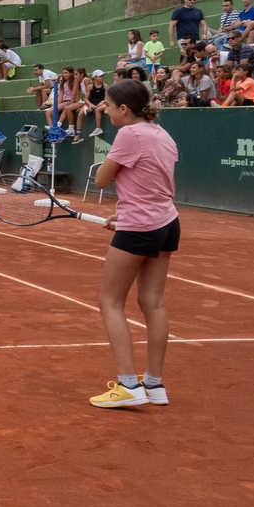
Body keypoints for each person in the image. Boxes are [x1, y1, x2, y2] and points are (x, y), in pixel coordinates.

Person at [89, 80, 179, 409]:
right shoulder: (162, 133)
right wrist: (124, 211)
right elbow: (154, 183)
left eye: (109, 106)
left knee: (109, 301)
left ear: (123, 109)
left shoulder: (129, 134)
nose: (106, 110)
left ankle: (128, 386)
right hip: (167, 223)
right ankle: (154, 385)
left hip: (140, 226)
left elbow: (101, 179)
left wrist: (131, 215)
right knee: (152, 303)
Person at [78, 69, 109, 136]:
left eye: (103, 76)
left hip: (102, 104)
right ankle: (78, 133)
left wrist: (103, 102)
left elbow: (107, 99)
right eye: (100, 76)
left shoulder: (105, 86)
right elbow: (86, 99)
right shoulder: (90, 87)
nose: (102, 77)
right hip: (91, 104)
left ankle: (98, 129)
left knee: (98, 110)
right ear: (95, 77)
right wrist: (90, 105)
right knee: (80, 113)